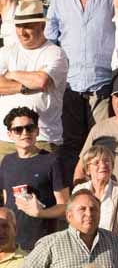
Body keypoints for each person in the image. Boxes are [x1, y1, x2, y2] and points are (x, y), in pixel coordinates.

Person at [46, 0, 115, 172]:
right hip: (70, 86)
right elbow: (51, 38)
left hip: (104, 83)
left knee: (104, 145)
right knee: (72, 145)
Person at [0, 1, 68, 153]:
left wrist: (11, 74)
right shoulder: (5, 52)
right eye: (18, 26)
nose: (22, 32)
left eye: (28, 26)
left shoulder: (55, 53)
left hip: (43, 139)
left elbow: (41, 81)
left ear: (42, 26)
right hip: (7, 138)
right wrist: (24, 87)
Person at [22, 188, 118, 267]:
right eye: (82, 209)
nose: (89, 213)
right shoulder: (50, 244)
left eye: (93, 209)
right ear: (69, 216)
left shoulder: (116, 241)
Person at [0, 107, 68, 251]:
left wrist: (40, 213)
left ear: (37, 131)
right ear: (10, 134)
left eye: (29, 128)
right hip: (12, 246)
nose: (25, 133)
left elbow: (65, 206)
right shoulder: (7, 161)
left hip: (42, 245)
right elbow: (7, 201)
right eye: (18, 129)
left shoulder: (52, 161)